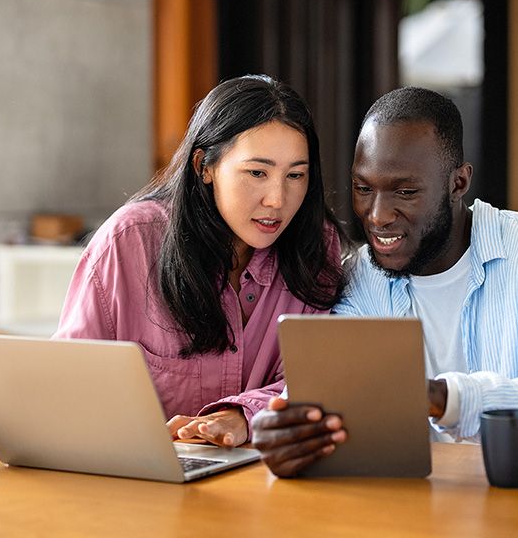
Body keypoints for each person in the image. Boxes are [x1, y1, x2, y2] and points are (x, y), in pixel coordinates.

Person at [251, 86, 518, 477]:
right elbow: (331, 398)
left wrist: (448, 398)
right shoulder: (360, 279)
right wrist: (286, 431)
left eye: (405, 192)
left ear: (458, 183)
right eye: (363, 188)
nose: (377, 215)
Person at [54, 74, 346, 448]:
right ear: (204, 167)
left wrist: (244, 414)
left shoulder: (316, 246)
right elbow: (69, 381)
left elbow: (317, 380)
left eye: (295, 175)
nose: (277, 198)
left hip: (264, 483)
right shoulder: (130, 242)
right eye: (257, 173)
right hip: (140, 480)